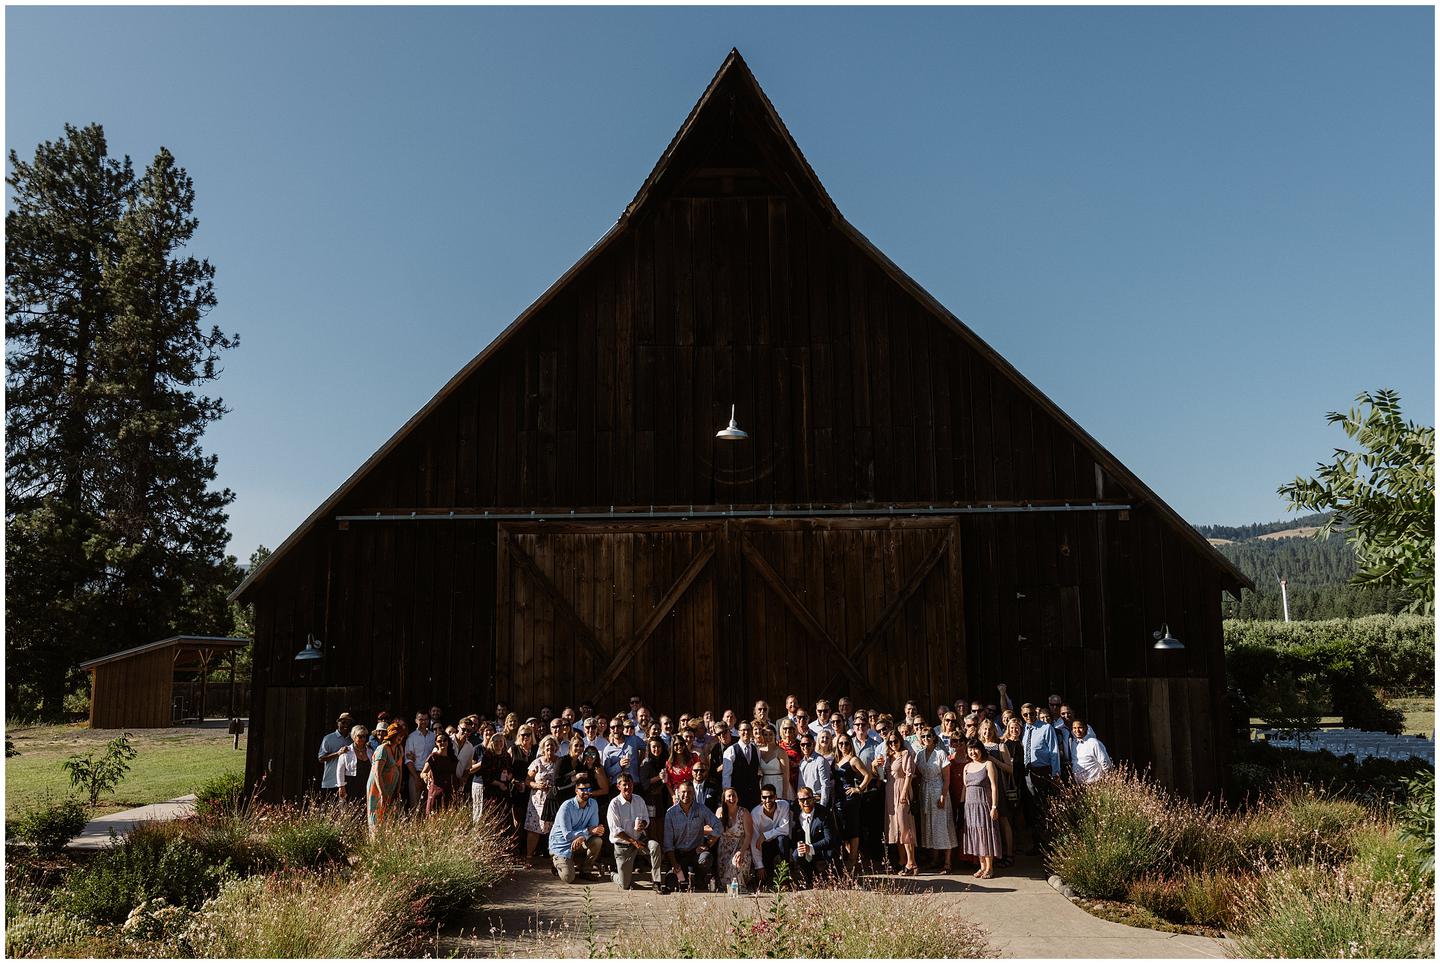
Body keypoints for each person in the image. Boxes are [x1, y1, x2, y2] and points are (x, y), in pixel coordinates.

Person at [608, 774, 662, 890]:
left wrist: (643, 824)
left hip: (640, 839)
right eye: (624, 785)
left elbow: (646, 819)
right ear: (618, 787)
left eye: (630, 784)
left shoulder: (639, 800)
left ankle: (656, 881)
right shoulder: (614, 804)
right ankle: (613, 875)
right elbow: (616, 830)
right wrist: (633, 841)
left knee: (655, 846)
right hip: (623, 845)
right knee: (625, 884)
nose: (628, 787)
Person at [663, 781, 719, 892]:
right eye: (683, 792)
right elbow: (668, 843)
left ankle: (699, 878)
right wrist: (674, 864)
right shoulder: (670, 813)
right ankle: (685, 876)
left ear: (693, 794)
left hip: (696, 852)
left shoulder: (702, 809)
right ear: (678, 793)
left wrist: (707, 844)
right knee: (673, 885)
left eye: (689, 792)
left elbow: (719, 826)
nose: (686, 795)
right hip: (678, 855)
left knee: (706, 858)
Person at [831, 733, 875, 872]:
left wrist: (859, 789)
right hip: (838, 798)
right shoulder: (836, 759)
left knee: (852, 828)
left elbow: (868, 775)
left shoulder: (853, 759)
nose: (844, 746)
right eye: (841, 743)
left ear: (851, 744)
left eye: (846, 743)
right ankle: (850, 856)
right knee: (842, 828)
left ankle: (852, 858)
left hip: (850, 798)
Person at [549, 777, 606, 883]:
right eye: (582, 789)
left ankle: (586, 870)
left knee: (597, 841)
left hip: (579, 842)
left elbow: (593, 828)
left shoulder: (593, 804)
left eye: (588, 789)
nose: (586, 792)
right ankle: (556, 862)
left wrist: (585, 835)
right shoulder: (566, 807)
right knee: (569, 878)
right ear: (576, 790)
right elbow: (567, 835)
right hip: (562, 846)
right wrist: (586, 832)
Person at [914, 729, 957, 871]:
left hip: (939, 790)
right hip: (925, 790)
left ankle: (948, 862)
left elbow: (947, 779)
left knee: (942, 825)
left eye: (928, 736)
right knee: (930, 826)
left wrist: (943, 796)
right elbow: (917, 774)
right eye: (923, 736)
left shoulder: (941, 753)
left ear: (934, 737)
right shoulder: (919, 755)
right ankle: (935, 859)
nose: (926, 738)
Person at [961, 739, 1004, 879]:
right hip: (970, 806)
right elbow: (965, 787)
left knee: (985, 834)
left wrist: (994, 806)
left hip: (984, 804)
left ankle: (989, 867)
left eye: (976, 749)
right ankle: (982, 866)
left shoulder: (988, 764)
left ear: (981, 749)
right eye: (970, 749)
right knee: (976, 835)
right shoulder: (966, 767)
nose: (973, 752)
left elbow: (994, 786)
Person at [978, 717, 1015, 862]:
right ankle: (991, 855)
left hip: (998, 786)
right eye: (984, 729)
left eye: (989, 729)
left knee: (1003, 820)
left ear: (994, 730)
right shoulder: (978, 745)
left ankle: (1009, 854)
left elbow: (1010, 769)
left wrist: (993, 760)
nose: (987, 732)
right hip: (982, 788)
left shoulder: (1000, 746)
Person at [883, 731, 918, 874]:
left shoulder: (905, 754)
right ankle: (902, 860)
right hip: (890, 791)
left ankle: (912, 863)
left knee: (905, 826)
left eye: (895, 741)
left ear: (900, 740)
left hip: (902, 789)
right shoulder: (889, 756)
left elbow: (909, 775)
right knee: (896, 828)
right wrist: (875, 764)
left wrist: (904, 793)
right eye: (890, 742)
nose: (893, 744)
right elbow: (882, 774)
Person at [787, 787, 837, 888]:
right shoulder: (796, 808)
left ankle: (831, 876)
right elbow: (783, 802)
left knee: (831, 853)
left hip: (822, 848)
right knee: (796, 854)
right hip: (805, 848)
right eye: (802, 800)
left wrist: (810, 847)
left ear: (813, 799)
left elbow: (829, 839)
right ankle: (810, 876)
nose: (805, 802)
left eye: (808, 799)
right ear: (798, 801)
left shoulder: (824, 814)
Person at [525, 735, 561, 866]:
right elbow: (527, 781)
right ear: (543, 748)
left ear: (556, 748)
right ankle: (529, 857)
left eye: (552, 746)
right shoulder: (537, 762)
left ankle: (555, 860)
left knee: (554, 830)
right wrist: (537, 785)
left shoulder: (560, 761)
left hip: (553, 800)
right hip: (537, 800)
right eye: (547, 746)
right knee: (534, 830)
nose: (550, 748)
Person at [366, 720, 406, 836]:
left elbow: (400, 770)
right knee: (377, 815)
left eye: (402, 736)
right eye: (399, 735)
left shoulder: (399, 749)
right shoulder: (382, 749)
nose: (401, 738)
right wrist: (382, 793)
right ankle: (375, 844)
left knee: (390, 815)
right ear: (392, 735)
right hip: (377, 787)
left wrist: (398, 790)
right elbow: (377, 772)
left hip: (391, 786)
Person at [749, 784, 793, 888]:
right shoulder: (755, 813)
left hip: (780, 844)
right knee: (765, 880)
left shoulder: (784, 805)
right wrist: (759, 866)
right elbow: (754, 840)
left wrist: (765, 835)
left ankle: (785, 877)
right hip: (765, 847)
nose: (768, 800)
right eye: (764, 797)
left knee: (783, 839)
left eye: (771, 797)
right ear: (761, 798)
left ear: (776, 797)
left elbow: (785, 829)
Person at [717, 786, 754, 891]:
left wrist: (741, 852)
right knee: (724, 877)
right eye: (729, 796)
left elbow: (749, 835)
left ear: (737, 798)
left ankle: (738, 887)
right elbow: (714, 830)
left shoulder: (744, 812)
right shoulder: (720, 811)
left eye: (734, 796)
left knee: (736, 864)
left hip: (741, 846)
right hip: (724, 848)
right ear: (724, 799)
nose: (732, 798)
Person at [722, 720, 763, 810]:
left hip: (754, 795)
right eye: (743, 730)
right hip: (738, 795)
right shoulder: (731, 750)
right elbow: (726, 775)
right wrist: (727, 793)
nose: (746, 732)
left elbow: (758, 770)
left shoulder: (756, 750)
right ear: (739, 732)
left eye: (748, 730)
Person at [404, 710, 437, 809]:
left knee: (429, 806)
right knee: (415, 806)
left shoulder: (433, 736)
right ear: (416, 720)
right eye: (421, 719)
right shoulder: (411, 737)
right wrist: (416, 778)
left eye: (426, 719)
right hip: (416, 774)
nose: (423, 722)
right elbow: (408, 760)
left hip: (430, 775)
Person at [317, 712, 354, 797]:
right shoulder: (328, 738)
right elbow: (321, 758)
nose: (346, 725)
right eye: (343, 722)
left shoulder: (352, 740)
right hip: (331, 782)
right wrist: (338, 753)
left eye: (348, 723)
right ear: (338, 723)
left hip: (346, 783)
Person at [1069, 716, 1114, 784]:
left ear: (1086, 728)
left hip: (1095, 784)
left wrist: (1107, 779)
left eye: (1080, 727)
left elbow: (1105, 762)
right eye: (1074, 728)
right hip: (1079, 785)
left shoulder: (1093, 743)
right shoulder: (1073, 744)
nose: (1077, 730)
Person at [421, 731, 457, 815]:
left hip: (449, 792)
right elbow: (423, 772)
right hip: (435, 791)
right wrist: (425, 777)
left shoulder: (452, 758)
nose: (443, 742)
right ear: (436, 743)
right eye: (439, 741)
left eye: (445, 740)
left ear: (448, 742)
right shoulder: (433, 757)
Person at [754, 722, 791, 803]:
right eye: (765, 735)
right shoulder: (759, 751)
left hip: (779, 784)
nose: (768, 737)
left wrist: (784, 793)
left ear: (775, 735)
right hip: (765, 784)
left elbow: (786, 775)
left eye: (771, 734)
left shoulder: (781, 752)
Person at [337, 723, 371, 805]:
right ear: (353, 737)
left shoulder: (370, 751)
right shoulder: (346, 751)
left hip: (366, 785)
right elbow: (340, 770)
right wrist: (341, 787)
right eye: (360, 736)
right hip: (351, 786)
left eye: (364, 736)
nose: (363, 739)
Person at [796, 732, 833, 807]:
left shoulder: (820, 761)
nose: (805, 747)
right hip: (805, 802)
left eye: (808, 744)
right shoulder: (802, 762)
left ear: (814, 744)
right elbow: (801, 785)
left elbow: (825, 785)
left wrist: (823, 805)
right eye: (803, 744)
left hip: (817, 801)